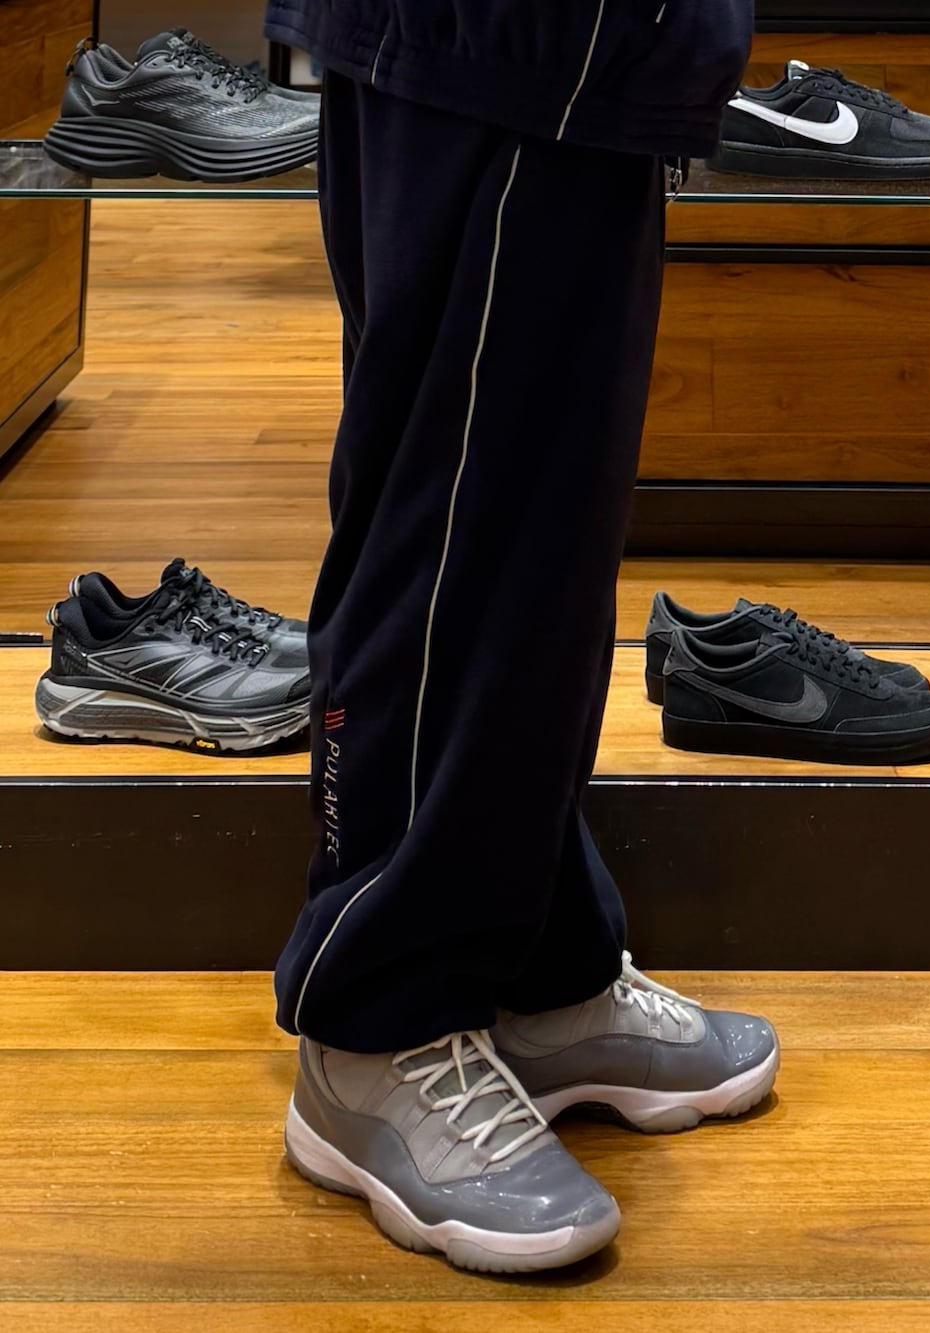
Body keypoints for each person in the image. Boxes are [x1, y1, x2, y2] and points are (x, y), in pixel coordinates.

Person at [264, 0, 777, 1273]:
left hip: (581, 51)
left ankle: (537, 967)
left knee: (541, 535)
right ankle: (376, 1019)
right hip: (510, 46)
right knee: (458, 527)